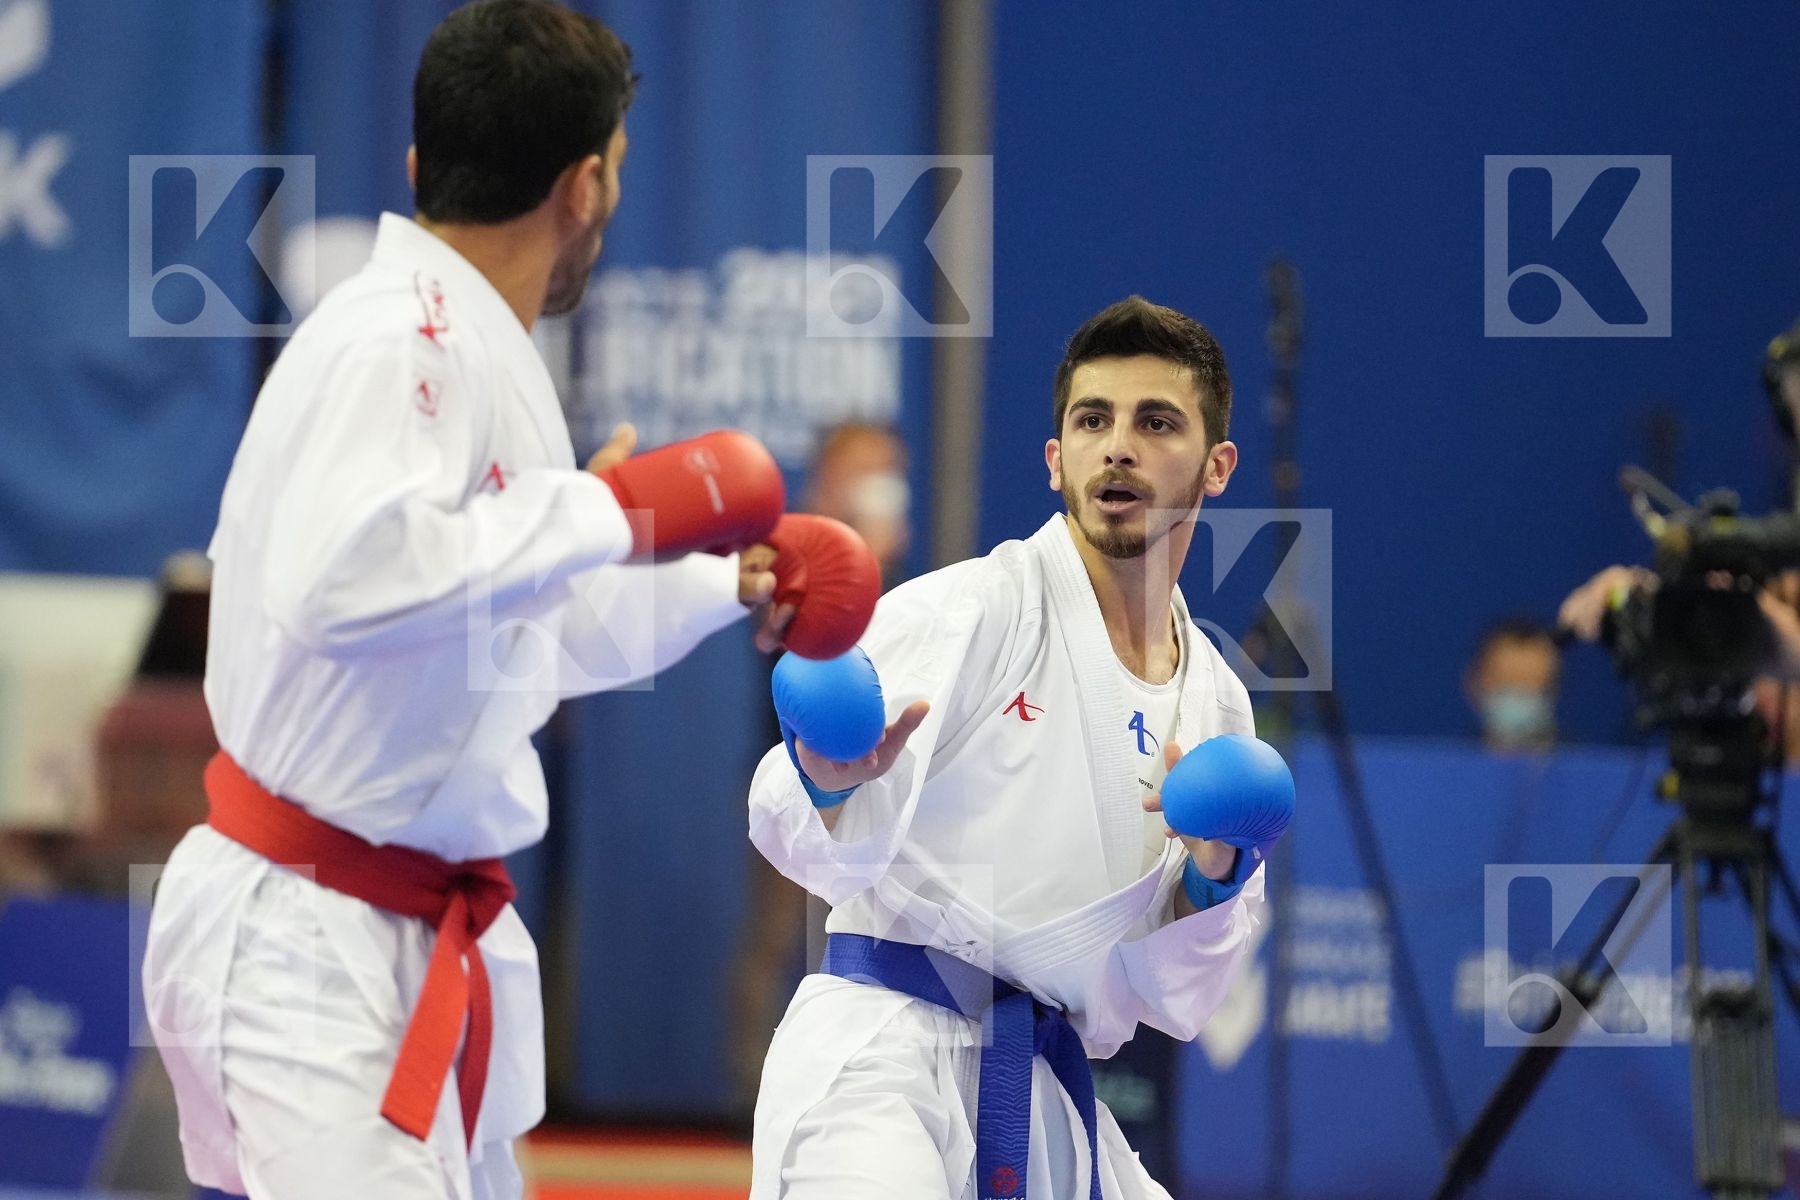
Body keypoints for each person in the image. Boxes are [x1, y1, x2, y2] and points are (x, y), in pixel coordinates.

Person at [139, 4, 872, 1197]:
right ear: (585, 187)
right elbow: (346, 585)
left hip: (400, 927)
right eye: (616, 173)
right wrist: (609, 510)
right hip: (308, 941)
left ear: (424, 163)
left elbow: (512, 631)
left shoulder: (474, 349)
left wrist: (712, 582)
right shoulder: (400, 342)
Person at [747, 297, 1269, 1199]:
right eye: (1093, 419)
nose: (1119, 447)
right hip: (883, 1061)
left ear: (1217, 466)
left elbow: (1180, 994)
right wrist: (827, 783)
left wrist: (1214, 874)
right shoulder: (974, 609)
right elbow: (790, 823)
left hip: (1042, 1083)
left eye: (1156, 423)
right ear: (1055, 457)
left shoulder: (1215, 700)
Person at [727, 423, 911, 1117]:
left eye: (889, 470)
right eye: (865, 470)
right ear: (828, 481)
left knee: (860, 939)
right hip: (789, 788)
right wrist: (842, 549)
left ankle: (848, 1099)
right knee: (774, 941)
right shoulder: (795, 557)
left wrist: (877, 558)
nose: (881, 484)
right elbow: (781, 645)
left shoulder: (903, 580)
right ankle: (748, 1101)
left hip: (874, 796)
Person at [1464, 617, 1561, 752]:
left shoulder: (1585, 766)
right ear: (1474, 682)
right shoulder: (1447, 767)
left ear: (1553, 688)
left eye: (1531, 688)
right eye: (1507, 687)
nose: (1519, 697)